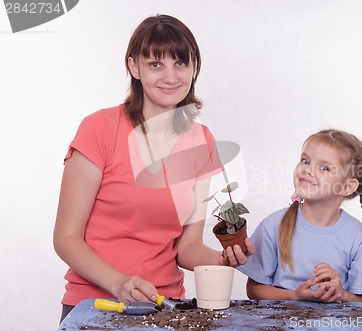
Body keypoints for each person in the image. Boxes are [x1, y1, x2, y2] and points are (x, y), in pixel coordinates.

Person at [53, 14, 255, 322]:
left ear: (193, 68)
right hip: (95, 307)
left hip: (166, 307)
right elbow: (66, 238)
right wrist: (119, 283)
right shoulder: (99, 129)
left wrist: (223, 259)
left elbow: (186, 247)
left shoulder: (202, 140)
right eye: (156, 64)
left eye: (181, 63)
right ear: (134, 67)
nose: (171, 77)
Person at [238, 129, 362, 303]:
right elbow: (254, 290)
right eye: (305, 161)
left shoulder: (357, 236)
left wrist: (341, 294)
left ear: (347, 187)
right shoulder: (273, 226)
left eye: (324, 167)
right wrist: (295, 296)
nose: (307, 170)